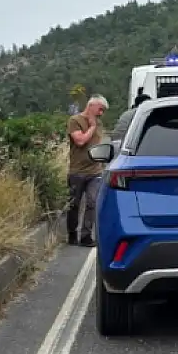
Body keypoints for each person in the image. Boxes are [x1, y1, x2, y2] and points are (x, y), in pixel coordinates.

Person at [65, 95, 110, 247]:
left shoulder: (99, 123)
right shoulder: (75, 121)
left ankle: (86, 236)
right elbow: (80, 141)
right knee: (74, 204)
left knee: (92, 203)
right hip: (77, 170)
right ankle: (72, 234)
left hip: (95, 171)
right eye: (100, 109)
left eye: (103, 111)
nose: (101, 113)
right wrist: (91, 127)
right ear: (91, 106)